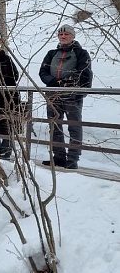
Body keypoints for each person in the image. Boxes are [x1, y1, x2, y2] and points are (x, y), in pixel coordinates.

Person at [38, 24, 93, 170]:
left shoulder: (81, 53)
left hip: (72, 96)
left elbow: (84, 74)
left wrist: (74, 88)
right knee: (54, 125)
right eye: (61, 34)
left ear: (72, 36)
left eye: (66, 34)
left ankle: (73, 158)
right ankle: (59, 156)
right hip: (53, 95)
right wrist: (53, 82)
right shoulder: (51, 53)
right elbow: (43, 72)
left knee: (74, 126)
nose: (63, 36)